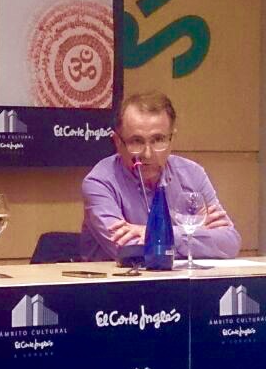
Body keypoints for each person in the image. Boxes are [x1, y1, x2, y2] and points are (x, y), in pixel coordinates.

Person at [81, 90, 241, 262]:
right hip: (120, 279)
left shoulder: (193, 174)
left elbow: (230, 243)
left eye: (158, 140)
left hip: (181, 278)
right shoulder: (99, 182)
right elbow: (128, 251)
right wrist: (194, 233)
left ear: (172, 139)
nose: (148, 154)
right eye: (136, 141)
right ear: (117, 142)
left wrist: (152, 232)